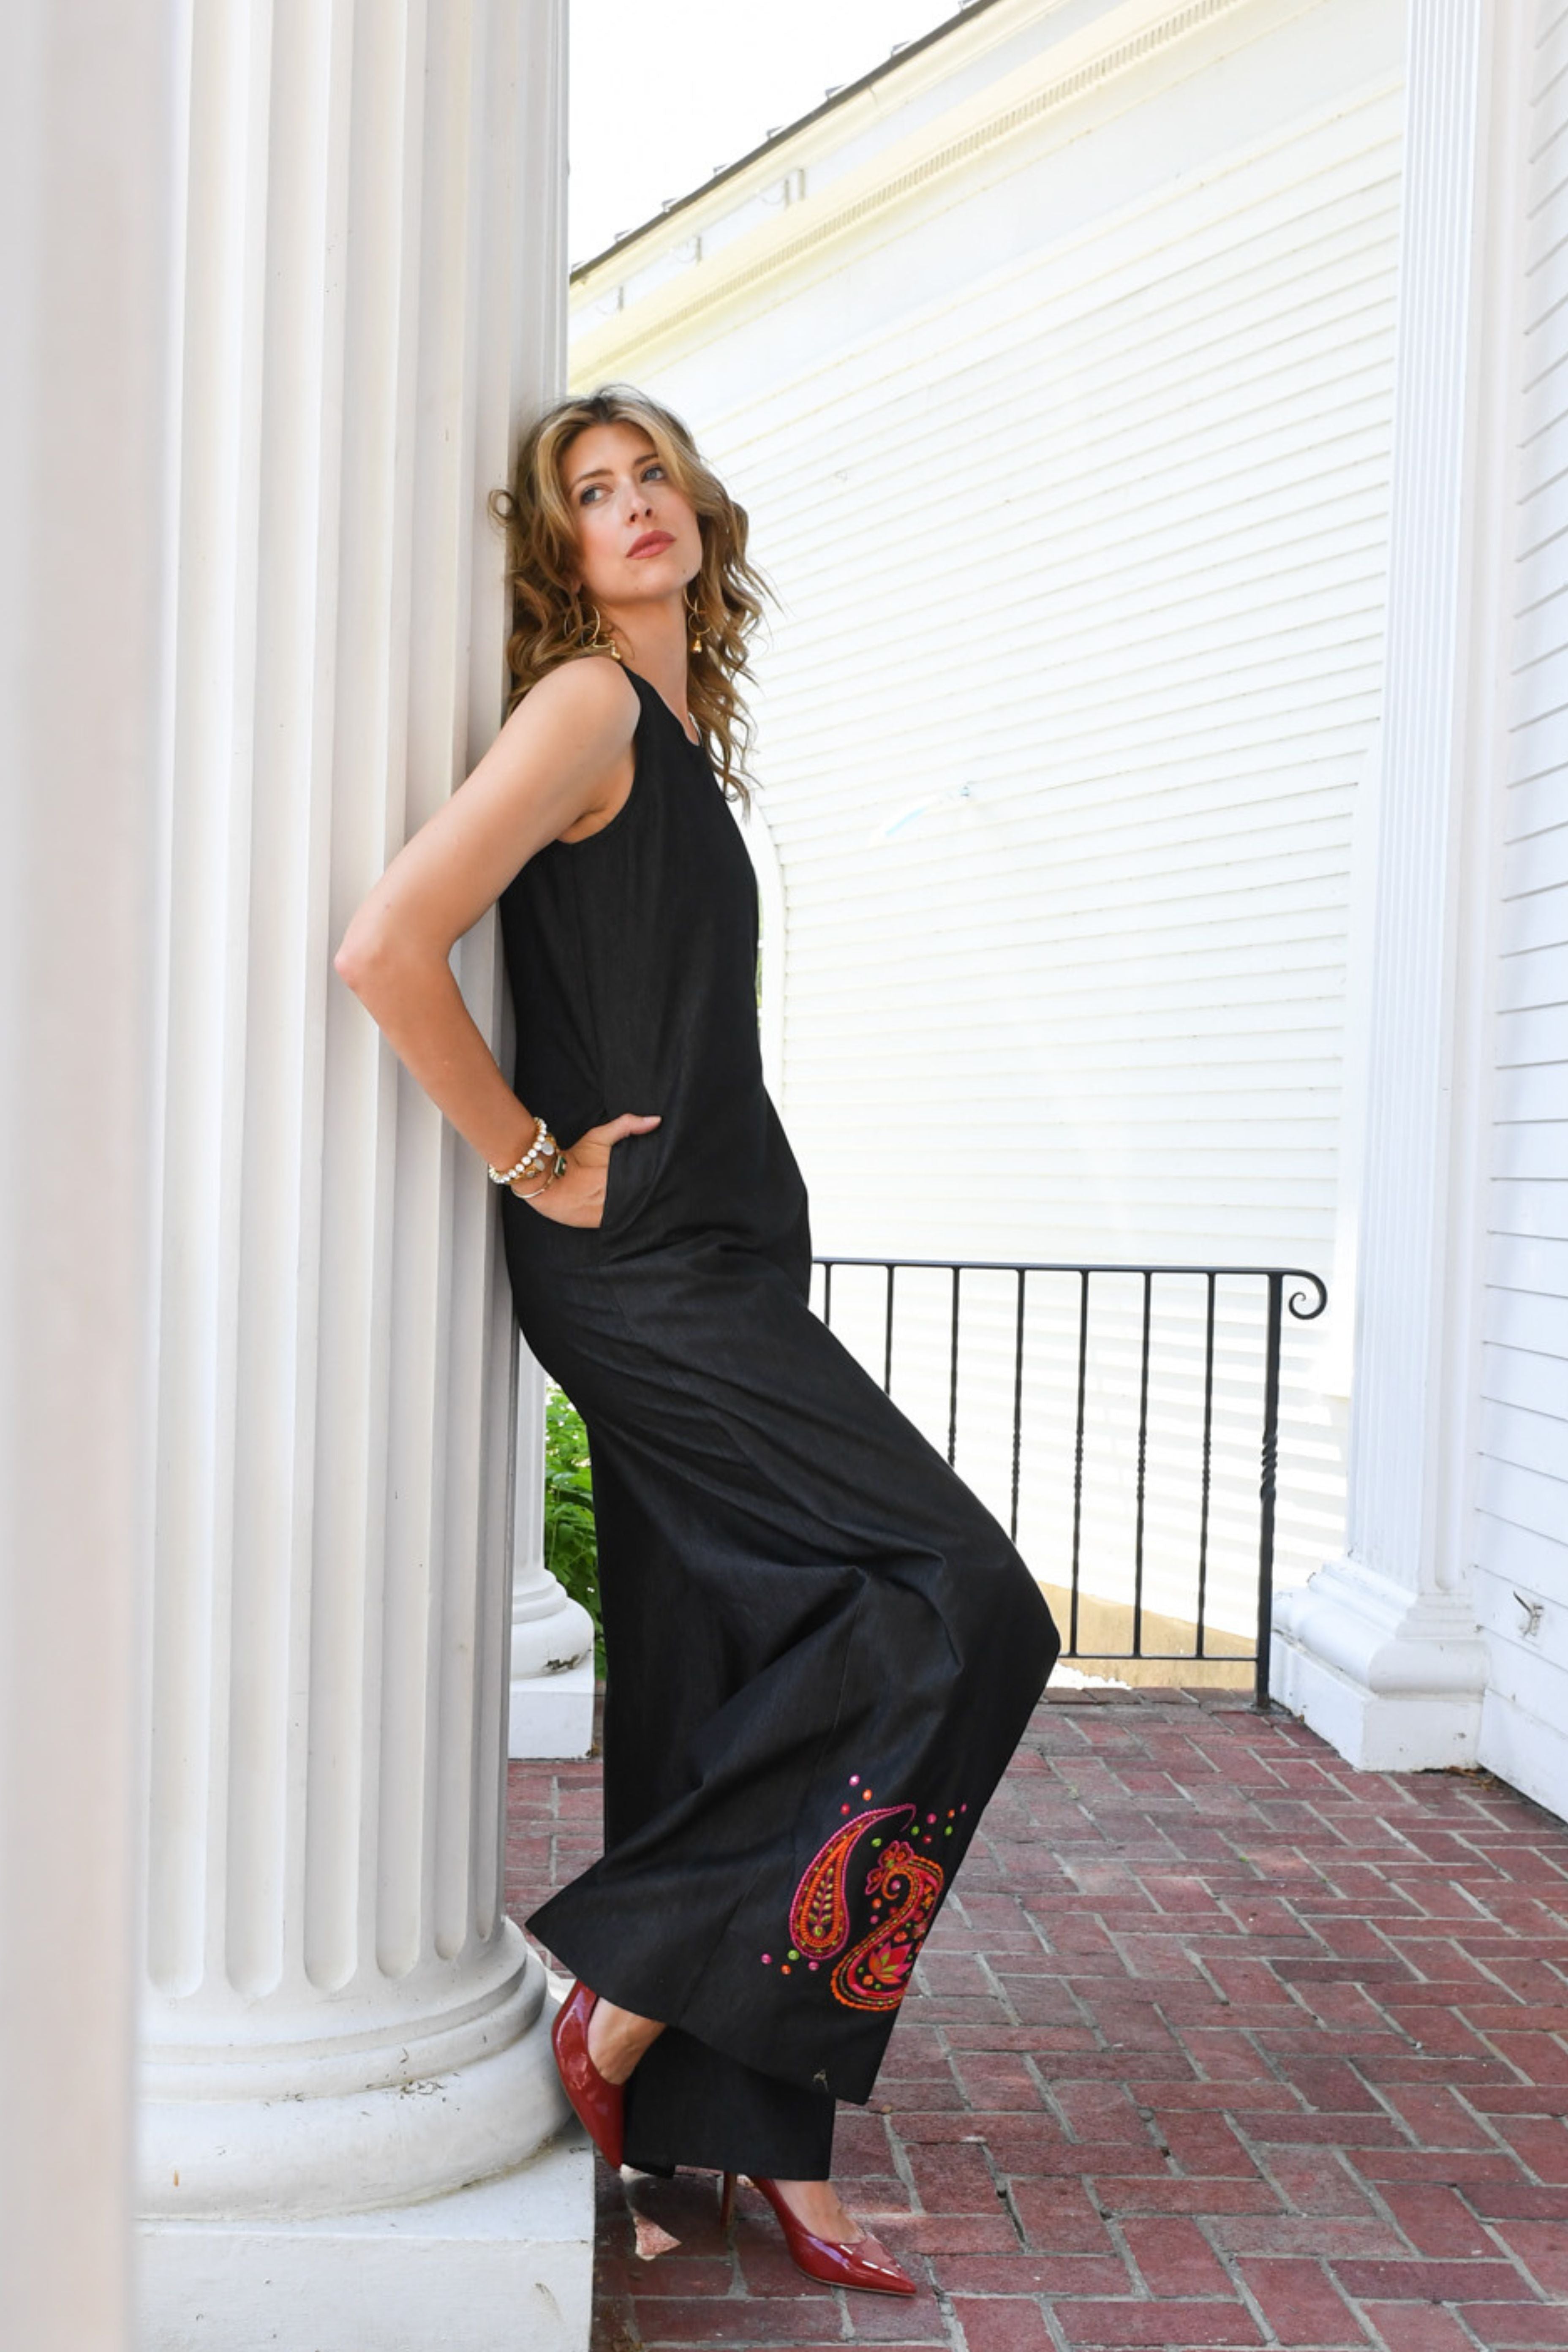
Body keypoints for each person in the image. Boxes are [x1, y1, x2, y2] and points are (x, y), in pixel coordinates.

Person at [335, 384, 1060, 2297]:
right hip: (647, 1261)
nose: (634, 503)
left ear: (700, 510)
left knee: (737, 1648)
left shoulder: (672, 732)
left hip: (717, 1246)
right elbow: (387, 944)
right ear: (560, 547)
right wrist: (529, 1156)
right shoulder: (584, 705)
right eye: (593, 490)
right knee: (969, 1602)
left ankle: (737, 2132)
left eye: (652, 472)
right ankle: (628, 1991)